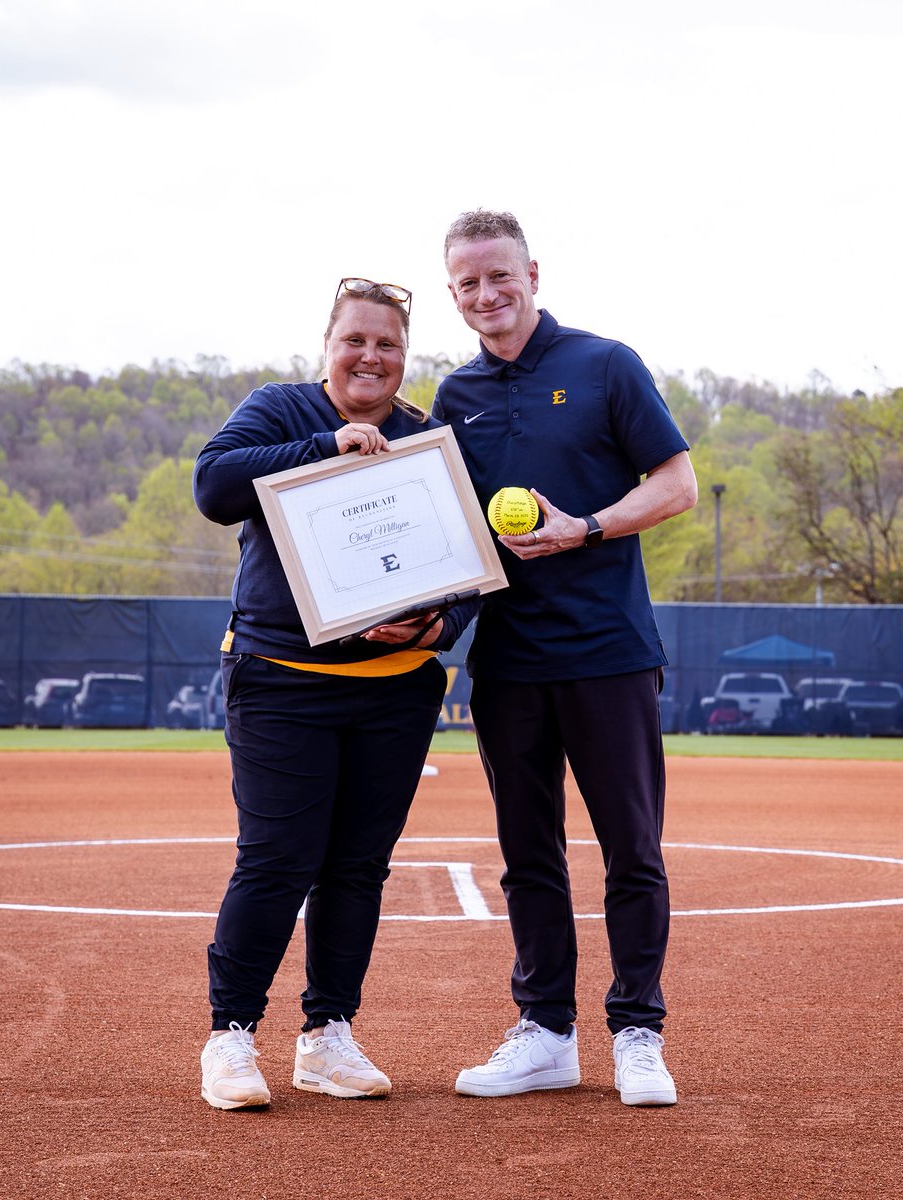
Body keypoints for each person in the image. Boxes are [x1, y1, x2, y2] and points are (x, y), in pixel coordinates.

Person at [432, 211, 698, 1106]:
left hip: (608, 652)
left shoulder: (606, 364)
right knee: (528, 854)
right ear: (454, 294)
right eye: (468, 283)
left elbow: (676, 486)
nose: (486, 295)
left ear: (533, 274)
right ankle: (546, 1033)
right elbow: (445, 530)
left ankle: (638, 1033)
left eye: (499, 275)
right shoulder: (455, 396)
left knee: (632, 848)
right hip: (508, 660)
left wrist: (584, 527)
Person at [193, 277, 476, 1110]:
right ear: (328, 345)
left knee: (357, 868)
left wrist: (439, 625)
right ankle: (231, 1034)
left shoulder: (427, 440)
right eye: (356, 339)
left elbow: (471, 563)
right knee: (278, 859)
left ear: (405, 356)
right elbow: (213, 488)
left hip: (395, 689)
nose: (371, 356)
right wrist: (326, 446)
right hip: (282, 678)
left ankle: (328, 1035)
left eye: (388, 344)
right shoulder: (280, 409)